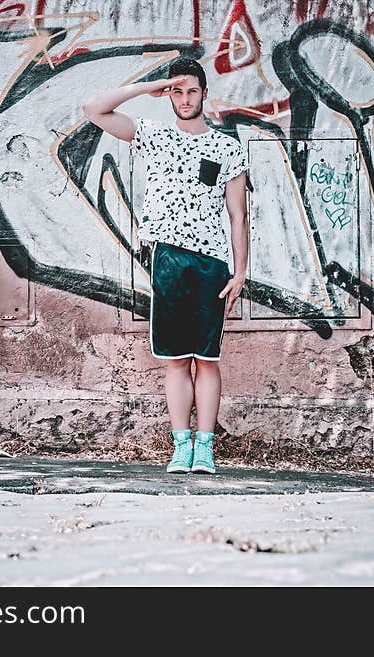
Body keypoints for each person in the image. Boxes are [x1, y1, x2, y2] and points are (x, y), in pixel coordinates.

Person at [82, 57, 249, 475]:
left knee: (207, 360)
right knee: (176, 360)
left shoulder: (227, 147)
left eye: (192, 90)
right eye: (178, 91)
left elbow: (239, 215)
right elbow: (93, 109)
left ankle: (206, 448)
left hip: (212, 263)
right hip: (168, 258)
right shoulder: (152, 136)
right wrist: (148, 86)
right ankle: (181, 447)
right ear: (169, 95)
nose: (185, 98)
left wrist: (240, 272)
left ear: (205, 93)